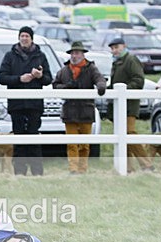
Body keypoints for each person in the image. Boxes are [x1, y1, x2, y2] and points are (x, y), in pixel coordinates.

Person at [0, 26, 52, 176]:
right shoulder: (10, 56)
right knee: (19, 138)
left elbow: (48, 79)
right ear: (19, 38)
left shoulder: (40, 56)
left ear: (31, 38)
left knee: (34, 138)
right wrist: (19, 79)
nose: (24, 38)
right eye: (22, 36)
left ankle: (37, 172)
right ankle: (20, 171)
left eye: (27, 36)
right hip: (17, 104)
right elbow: (2, 77)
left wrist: (39, 76)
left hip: (34, 104)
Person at [52, 40, 106, 175]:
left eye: (77, 53)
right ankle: (73, 169)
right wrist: (64, 88)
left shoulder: (91, 68)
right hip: (69, 111)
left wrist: (101, 86)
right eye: (72, 53)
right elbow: (54, 84)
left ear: (83, 54)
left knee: (85, 144)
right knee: (71, 143)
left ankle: (83, 168)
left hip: (85, 111)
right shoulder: (64, 70)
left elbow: (99, 79)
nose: (74, 56)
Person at [108, 37, 154, 172]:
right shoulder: (116, 63)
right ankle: (127, 167)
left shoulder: (131, 60)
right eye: (112, 48)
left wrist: (123, 91)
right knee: (122, 136)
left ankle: (147, 164)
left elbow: (139, 80)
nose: (114, 50)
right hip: (118, 106)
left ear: (124, 46)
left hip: (129, 105)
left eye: (116, 47)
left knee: (129, 133)